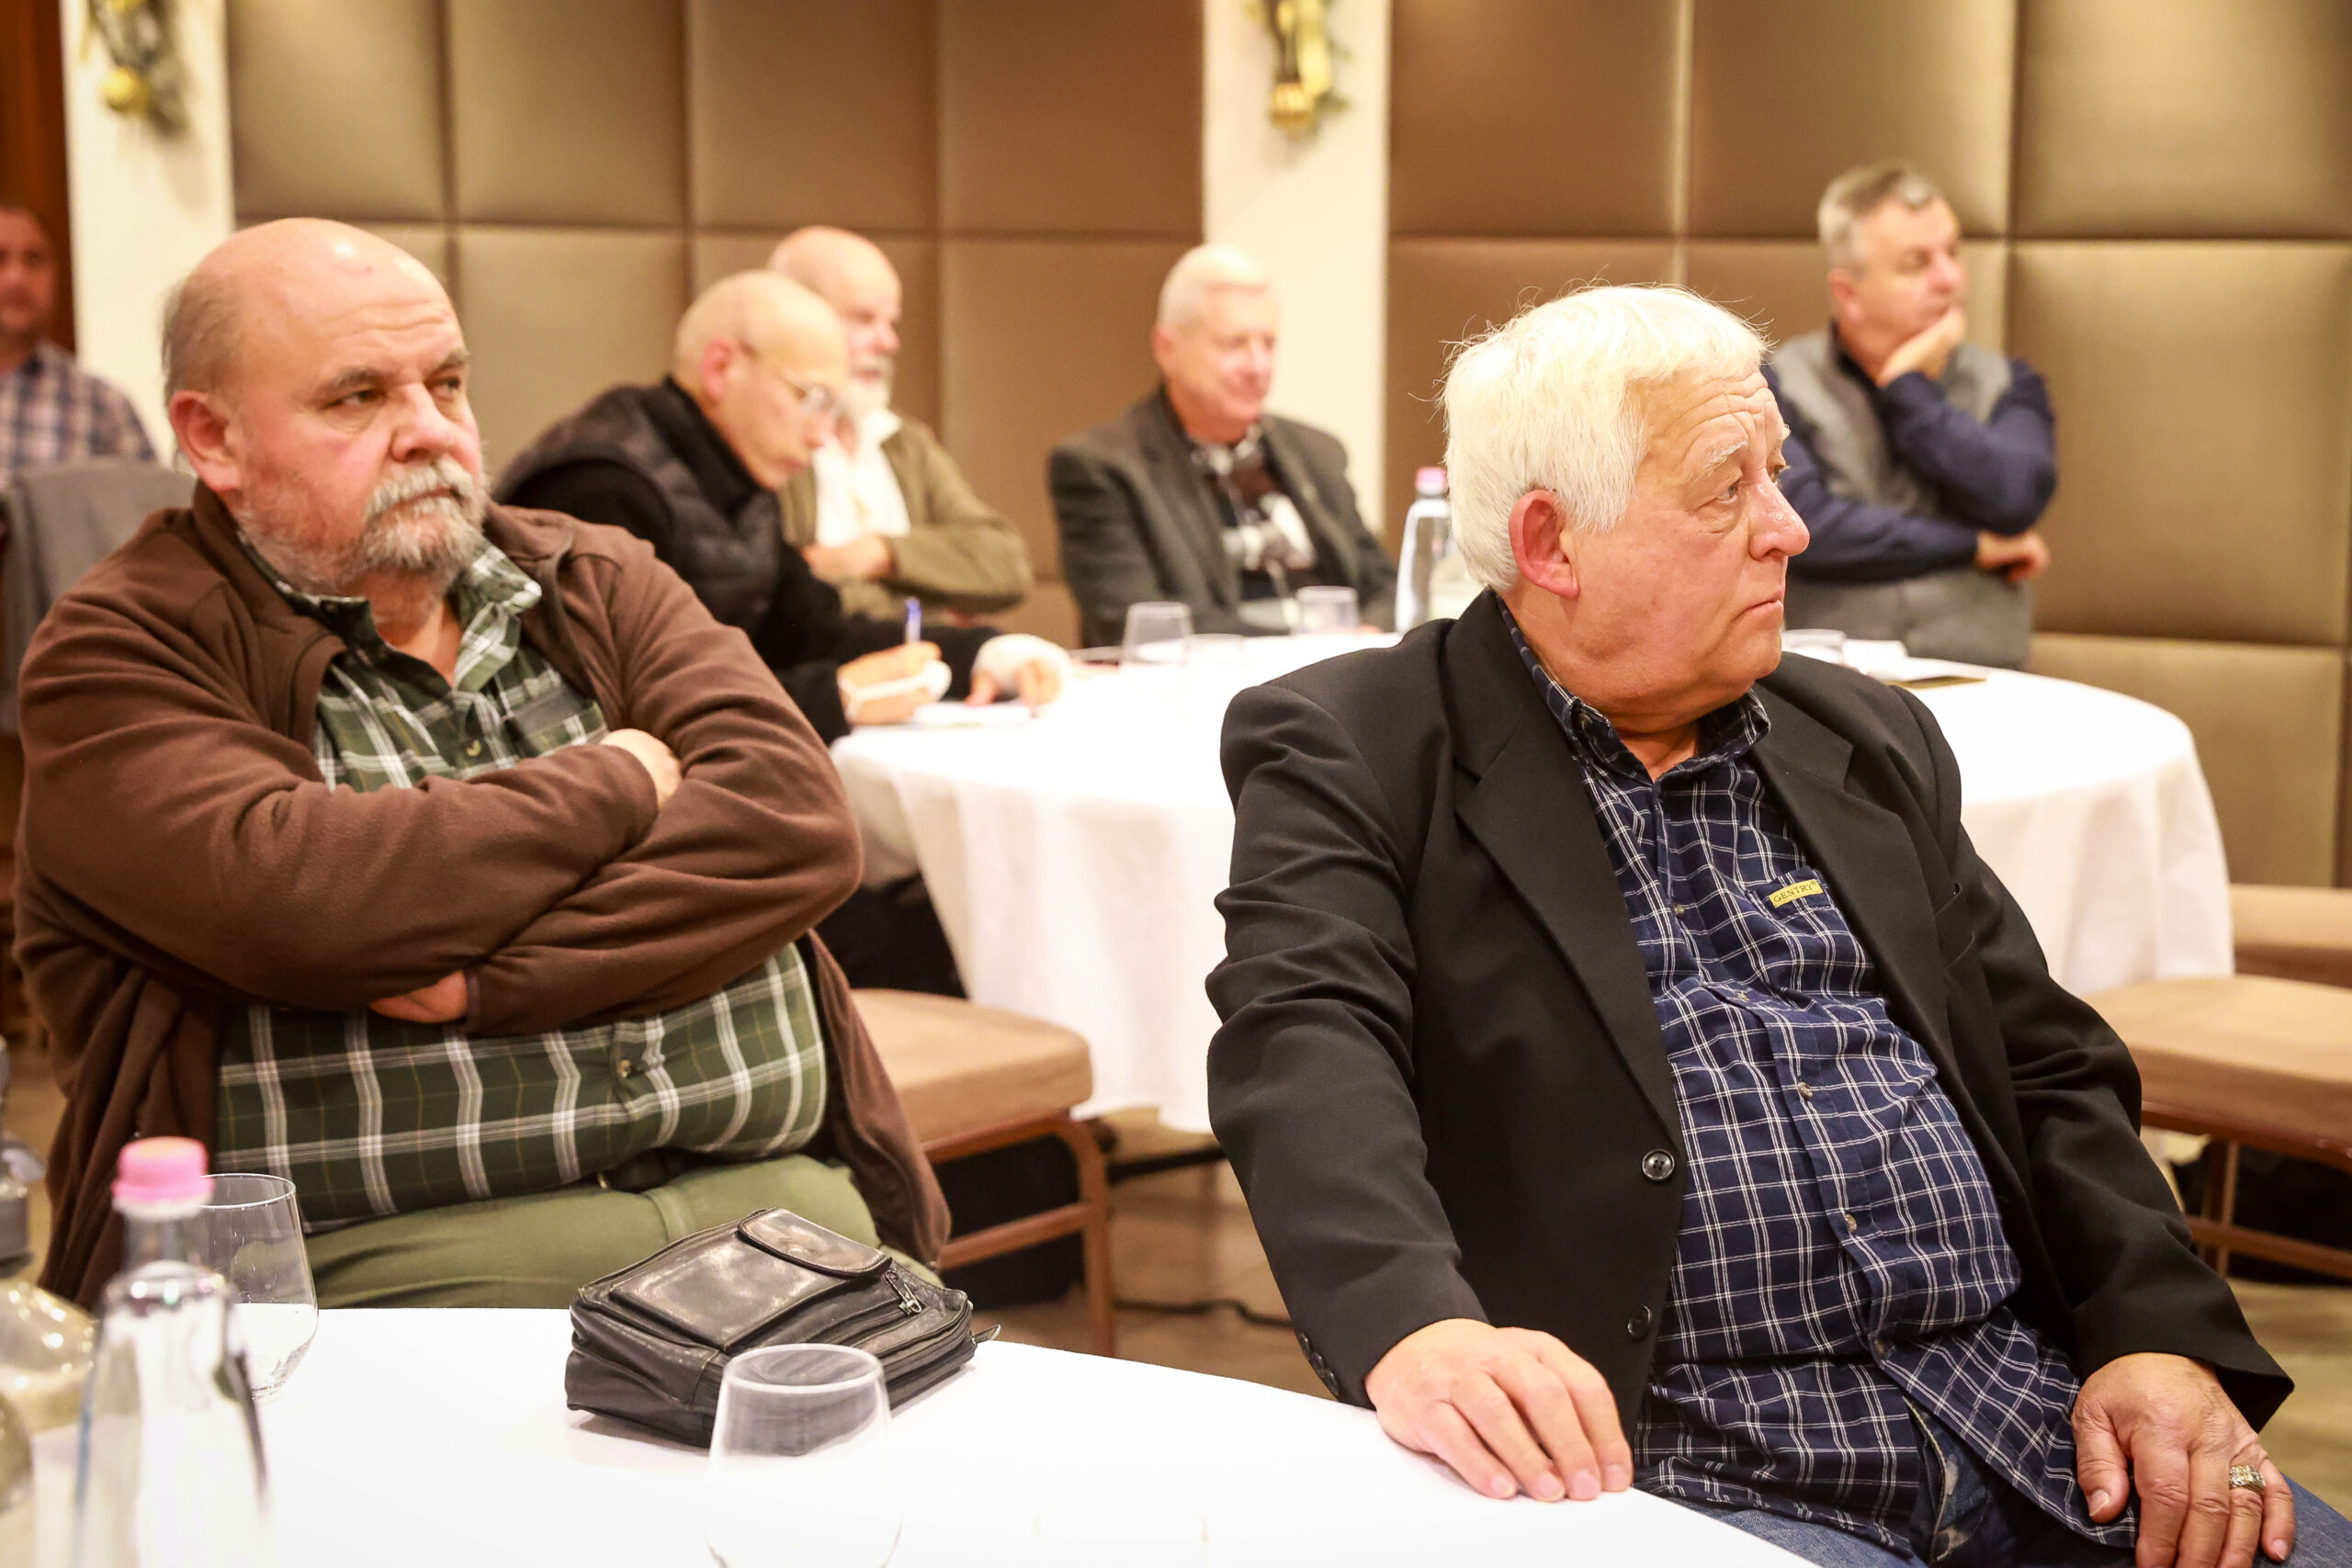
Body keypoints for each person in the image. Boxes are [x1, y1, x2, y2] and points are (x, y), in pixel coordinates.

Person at [1207, 284, 2350, 1568]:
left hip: (2026, 1422)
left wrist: (2154, 1332)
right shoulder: (1359, 747)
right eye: (1726, 490)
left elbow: (2044, 1064)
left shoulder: (1864, 734)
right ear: (1551, 542)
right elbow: (1306, 1043)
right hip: (1693, 1469)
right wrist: (1416, 1327)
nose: (1789, 529)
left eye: (1778, 476)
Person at [17, 220, 947, 1310]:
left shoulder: (595, 577)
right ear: (212, 438)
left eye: (447, 384)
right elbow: (305, 897)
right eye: (358, 397)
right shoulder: (122, 648)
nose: (430, 431)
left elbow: (796, 823)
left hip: (781, 1213)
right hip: (391, 1269)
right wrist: (621, 782)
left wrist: (486, 979)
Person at [500, 270, 1062, 746]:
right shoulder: (601, 486)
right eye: (810, 399)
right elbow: (628, 712)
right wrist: (835, 698)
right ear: (721, 367)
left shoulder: (734, 466)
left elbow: (810, 631)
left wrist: (984, 653)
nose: (821, 435)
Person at [1767, 164, 2054, 668]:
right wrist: (1972, 545)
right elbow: (1806, 525)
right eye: (1917, 264)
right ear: (1848, 294)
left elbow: (2015, 498)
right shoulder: (1776, 384)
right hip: (1834, 684)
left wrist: (1907, 391)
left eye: (1953, 253)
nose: (1951, 280)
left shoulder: (2011, 384)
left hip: (1983, 679)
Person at [1050, 244, 1394, 647]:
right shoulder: (1103, 467)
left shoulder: (1316, 452)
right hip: (1208, 682)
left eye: (1268, 344)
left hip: (1338, 673)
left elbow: (1386, 587)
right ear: (1167, 349)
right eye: (1234, 345)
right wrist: (1309, 651)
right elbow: (1135, 622)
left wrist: (1365, 635)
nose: (1258, 367)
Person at [767, 226, 1032, 620]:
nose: (889, 343)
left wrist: (877, 554)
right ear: (795, 318)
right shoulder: (764, 442)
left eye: (890, 323)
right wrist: (934, 593)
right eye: (863, 319)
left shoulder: (904, 442)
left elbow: (1007, 563)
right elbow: (781, 596)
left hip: (927, 658)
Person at [0, 203, 154, 479]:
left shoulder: (103, 406)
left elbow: (149, 502)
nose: (17, 278)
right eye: (0, 259)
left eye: (33, 260)